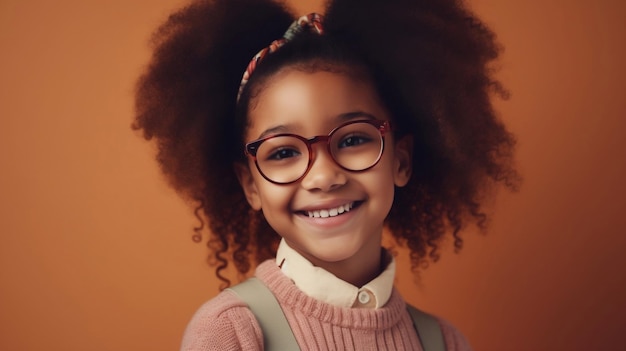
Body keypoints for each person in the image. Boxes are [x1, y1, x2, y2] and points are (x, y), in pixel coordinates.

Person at [133, 0, 518, 349]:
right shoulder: (232, 334)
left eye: (352, 140)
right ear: (250, 184)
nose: (323, 176)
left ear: (401, 161)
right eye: (283, 151)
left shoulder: (445, 343)